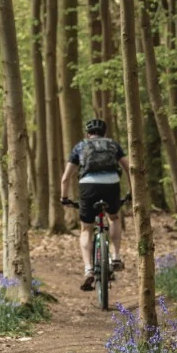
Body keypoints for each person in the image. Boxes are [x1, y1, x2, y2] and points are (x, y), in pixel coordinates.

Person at [60, 118, 128, 290]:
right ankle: (116, 256)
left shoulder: (80, 146)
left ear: (87, 133)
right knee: (113, 218)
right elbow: (129, 168)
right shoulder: (113, 145)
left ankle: (88, 269)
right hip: (112, 184)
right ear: (104, 132)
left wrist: (64, 198)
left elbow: (66, 178)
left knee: (86, 228)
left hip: (88, 187)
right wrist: (132, 192)